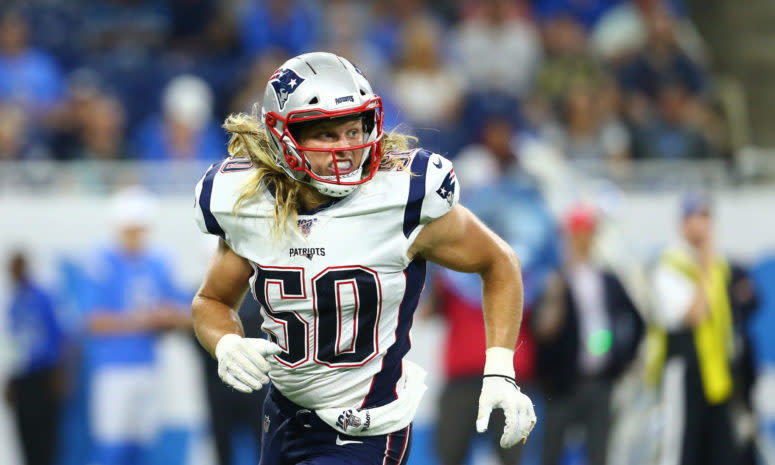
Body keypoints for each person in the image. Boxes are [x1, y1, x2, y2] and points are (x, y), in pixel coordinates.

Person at [191, 52, 537, 465]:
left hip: (366, 428)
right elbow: (211, 301)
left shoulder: (401, 198)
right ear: (282, 138)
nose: (347, 149)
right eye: (327, 135)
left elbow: (498, 262)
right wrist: (226, 343)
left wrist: (500, 368)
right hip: (283, 416)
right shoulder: (247, 203)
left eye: (354, 130)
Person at [84, 187, 191, 465]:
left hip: (148, 365)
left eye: (140, 229)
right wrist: (141, 320)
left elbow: (180, 313)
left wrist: (167, 318)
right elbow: (93, 321)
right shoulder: (103, 261)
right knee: (112, 446)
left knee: (144, 448)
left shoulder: (158, 262)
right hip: (114, 368)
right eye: (131, 229)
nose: (136, 235)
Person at [533, 204, 644, 465]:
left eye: (586, 233)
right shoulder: (555, 280)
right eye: (576, 233)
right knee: (552, 452)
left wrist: (622, 359)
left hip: (599, 381)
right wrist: (547, 375)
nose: (582, 240)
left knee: (598, 454)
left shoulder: (607, 280)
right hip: (561, 384)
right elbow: (540, 330)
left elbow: (636, 320)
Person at [648, 191, 738, 465]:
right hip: (683, 368)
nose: (701, 226)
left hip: (715, 374)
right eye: (695, 217)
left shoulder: (719, 266)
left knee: (720, 451)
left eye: (706, 217)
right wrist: (704, 263)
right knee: (680, 448)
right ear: (683, 223)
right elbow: (694, 314)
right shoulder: (670, 265)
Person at [5, 251, 66, 465]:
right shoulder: (12, 304)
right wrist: (9, 382)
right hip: (22, 379)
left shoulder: (44, 298)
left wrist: (59, 374)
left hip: (44, 376)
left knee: (46, 440)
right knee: (25, 438)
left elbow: (60, 337)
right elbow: (11, 348)